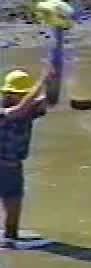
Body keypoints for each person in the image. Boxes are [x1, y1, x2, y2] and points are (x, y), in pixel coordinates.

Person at [0, 68, 50, 248]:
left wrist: (54, 78)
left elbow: (50, 100)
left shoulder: (28, 110)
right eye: (19, 94)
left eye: (23, 94)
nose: (22, 97)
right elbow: (18, 110)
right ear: (8, 94)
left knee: (13, 217)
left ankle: (10, 243)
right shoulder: (4, 111)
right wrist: (41, 81)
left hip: (15, 168)